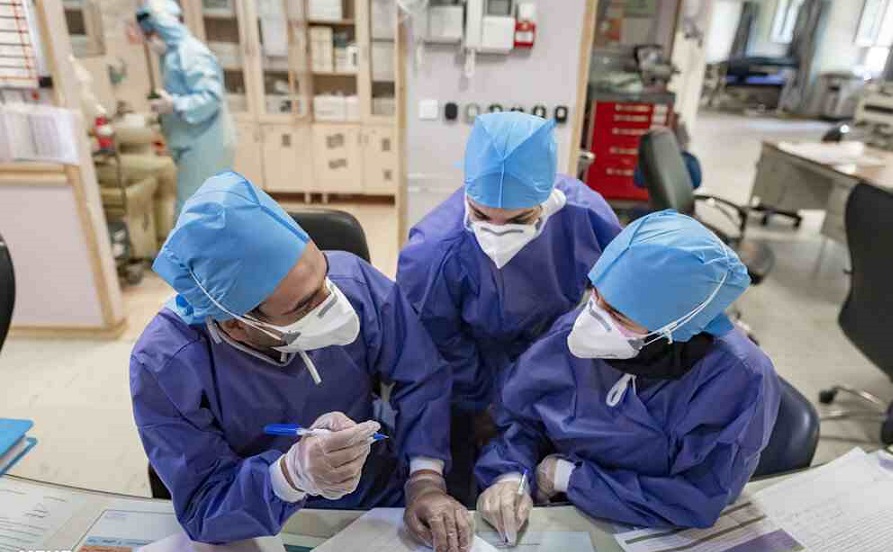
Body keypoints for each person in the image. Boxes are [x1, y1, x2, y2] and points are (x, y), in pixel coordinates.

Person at [131, 172, 471, 550]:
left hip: (373, 495)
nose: (332, 301)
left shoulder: (353, 282)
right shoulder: (166, 365)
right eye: (305, 305)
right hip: (256, 520)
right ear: (236, 325)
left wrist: (425, 480)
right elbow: (204, 503)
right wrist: (289, 477)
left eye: (324, 275)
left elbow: (422, 376)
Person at [475, 210, 781, 544]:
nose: (592, 319)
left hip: (657, 530)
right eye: (596, 295)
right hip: (558, 515)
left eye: (618, 314)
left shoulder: (737, 380)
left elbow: (698, 496)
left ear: (675, 326)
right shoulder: (576, 333)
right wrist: (509, 476)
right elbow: (520, 419)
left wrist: (570, 477)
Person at [397, 112, 622, 504]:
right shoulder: (432, 253)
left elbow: (619, 297)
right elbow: (437, 347)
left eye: (519, 219)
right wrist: (484, 405)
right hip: (473, 371)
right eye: (482, 216)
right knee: (472, 472)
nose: (497, 233)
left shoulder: (586, 216)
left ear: (546, 196)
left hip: (560, 355)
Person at [135, 0, 235, 214]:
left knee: (193, 212)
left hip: (203, 145)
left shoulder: (191, 53)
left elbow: (211, 96)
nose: (150, 40)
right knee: (207, 210)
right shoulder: (173, 55)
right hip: (196, 143)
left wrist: (174, 105)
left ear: (164, 25)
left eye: (152, 33)